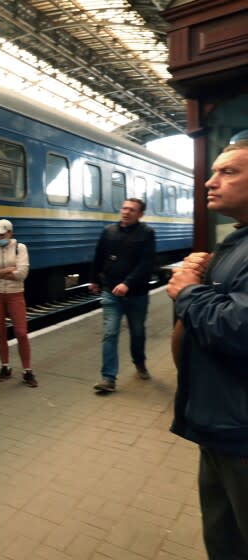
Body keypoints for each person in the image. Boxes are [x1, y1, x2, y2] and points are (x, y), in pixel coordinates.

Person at [167, 140, 248, 558]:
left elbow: (240, 328)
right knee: (223, 539)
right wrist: (193, 288)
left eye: (228, 172)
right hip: (218, 424)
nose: (208, 181)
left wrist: (189, 292)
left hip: (240, 432)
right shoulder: (235, 244)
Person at [89, 197, 155, 393]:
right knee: (110, 333)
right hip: (111, 293)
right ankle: (108, 378)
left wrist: (127, 284)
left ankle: (139, 362)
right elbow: (99, 256)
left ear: (140, 214)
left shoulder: (147, 233)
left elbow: (146, 263)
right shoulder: (109, 231)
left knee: (137, 332)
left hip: (137, 294)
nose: (126, 212)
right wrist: (94, 279)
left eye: (132, 210)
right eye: (124, 208)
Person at [0, 219, 36, 387]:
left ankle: (27, 370)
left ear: (10, 233)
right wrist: (8, 270)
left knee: (21, 332)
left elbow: (22, 274)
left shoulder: (20, 248)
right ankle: (5, 366)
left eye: (2, 234)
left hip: (15, 295)